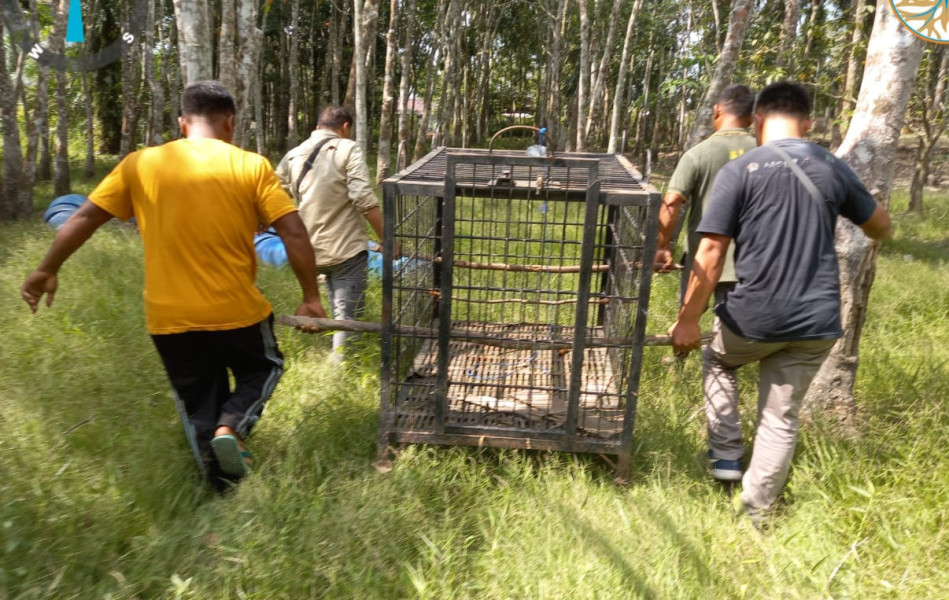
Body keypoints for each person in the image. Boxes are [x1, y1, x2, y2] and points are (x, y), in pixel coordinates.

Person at [21, 81, 326, 492]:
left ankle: (221, 490)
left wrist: (47, 269)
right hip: (234, 310)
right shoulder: (251, 165)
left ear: (183, 123)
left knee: (199, 400)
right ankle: (232, 428)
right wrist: (310, 297)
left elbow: (83, 218)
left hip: (169, 318)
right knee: (263, 367)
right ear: (230, 124)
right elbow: (293, 233)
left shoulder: (139, 164)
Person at [668, 81, 892, 522]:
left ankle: (728, 455)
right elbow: (880, 226)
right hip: (815, 323)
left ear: (758, 121)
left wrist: (688, 320)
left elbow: (711, 254)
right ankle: (757, 512)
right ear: (808, 123)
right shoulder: (833, 166)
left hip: (753, 317)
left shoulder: (742, 169)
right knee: (780, 417)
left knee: (718, 360)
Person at [276, 106, 386, 364]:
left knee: (333, 306)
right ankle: (340, 371)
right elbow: (363, 198)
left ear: (317, 127)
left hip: (308, 252)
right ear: (345, 127)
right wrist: (386, 238)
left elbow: (275, 196)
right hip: (345, 249)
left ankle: (334, 358)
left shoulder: (293, 155)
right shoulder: (348, 148)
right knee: (346, 315)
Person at [655, 84, 757, 305]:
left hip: (702, 260)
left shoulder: (697, 154)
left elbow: (672, 203)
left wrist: (662, 247)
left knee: (687, 325)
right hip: (752, 264)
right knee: (733, 331)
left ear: (717, 110)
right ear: (751, 118)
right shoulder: (765, 152)